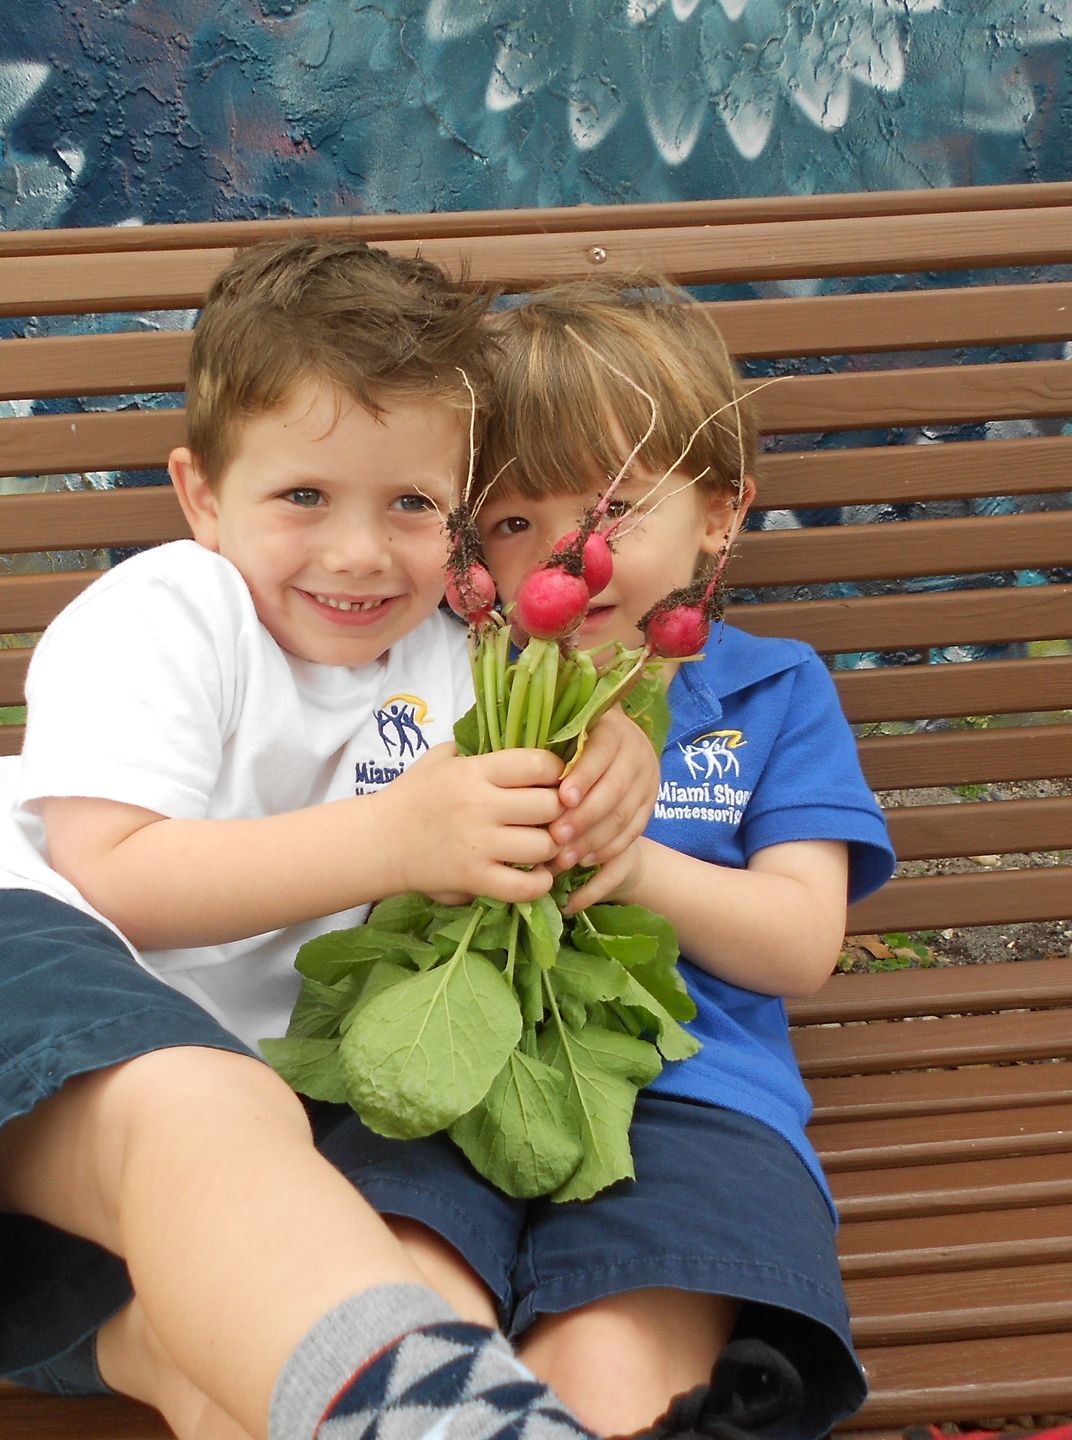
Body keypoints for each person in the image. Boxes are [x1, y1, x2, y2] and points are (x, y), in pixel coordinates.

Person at [0, 238, 666, 1440]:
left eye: (412, 504)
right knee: (207, 1110)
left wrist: (608, 769)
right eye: (305, 496)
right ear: (202, 495)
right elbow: (117, 877)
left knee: (236, 1357)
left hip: (110, 1227)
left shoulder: (462, 670)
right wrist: (398, 838)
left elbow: (519, 821)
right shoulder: (173, 612)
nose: (359, 552)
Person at [302, 278, 898, 1440]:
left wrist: (631, 867)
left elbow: (800, 945)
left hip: (693, 1094)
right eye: (516, 523)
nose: (566, 552)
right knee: (414, 1322)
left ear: (721, 513)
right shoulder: (439, 678)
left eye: (613, 507)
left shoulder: (773, 694)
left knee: (610, 1365)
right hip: (442, 1067)